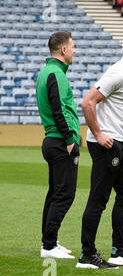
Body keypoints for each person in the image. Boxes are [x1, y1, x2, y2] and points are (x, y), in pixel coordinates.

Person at [76, 29, 123, 269]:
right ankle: (87, 254)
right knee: (99, 199)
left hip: (119, 141)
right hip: (105, 144)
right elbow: (88, 102)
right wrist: (98, 133)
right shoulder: (118, 72)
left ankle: (119, 249)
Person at [36, 31, 80, 259]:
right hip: (61, 142)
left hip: (53, 141)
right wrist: (71, 140)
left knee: (55, 193)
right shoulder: (56, 74)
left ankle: (49, 242)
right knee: (65, 194)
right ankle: (49, 246)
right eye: (72, 46)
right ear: (63, 50)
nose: (74, 50)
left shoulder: (47, 72)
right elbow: (59, 110)